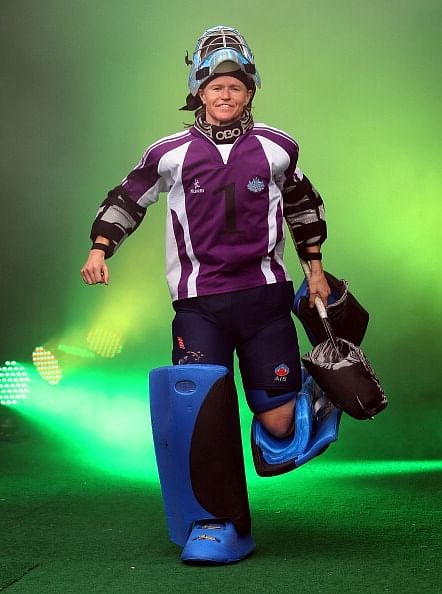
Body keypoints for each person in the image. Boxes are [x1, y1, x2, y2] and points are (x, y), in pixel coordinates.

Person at [81, 25, 332, 564]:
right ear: (197, 91)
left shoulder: (278, 147)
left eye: (236, 86)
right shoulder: (168, 154)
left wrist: (314, 269)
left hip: (265, 300)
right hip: (200, 307)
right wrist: (101, 248)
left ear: (250, 91)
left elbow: (304, 206)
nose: (225, 94)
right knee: (203, 420)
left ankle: (311, 392)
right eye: (215, 86)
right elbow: (127, 199)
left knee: (279, 433)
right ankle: (222, 524)